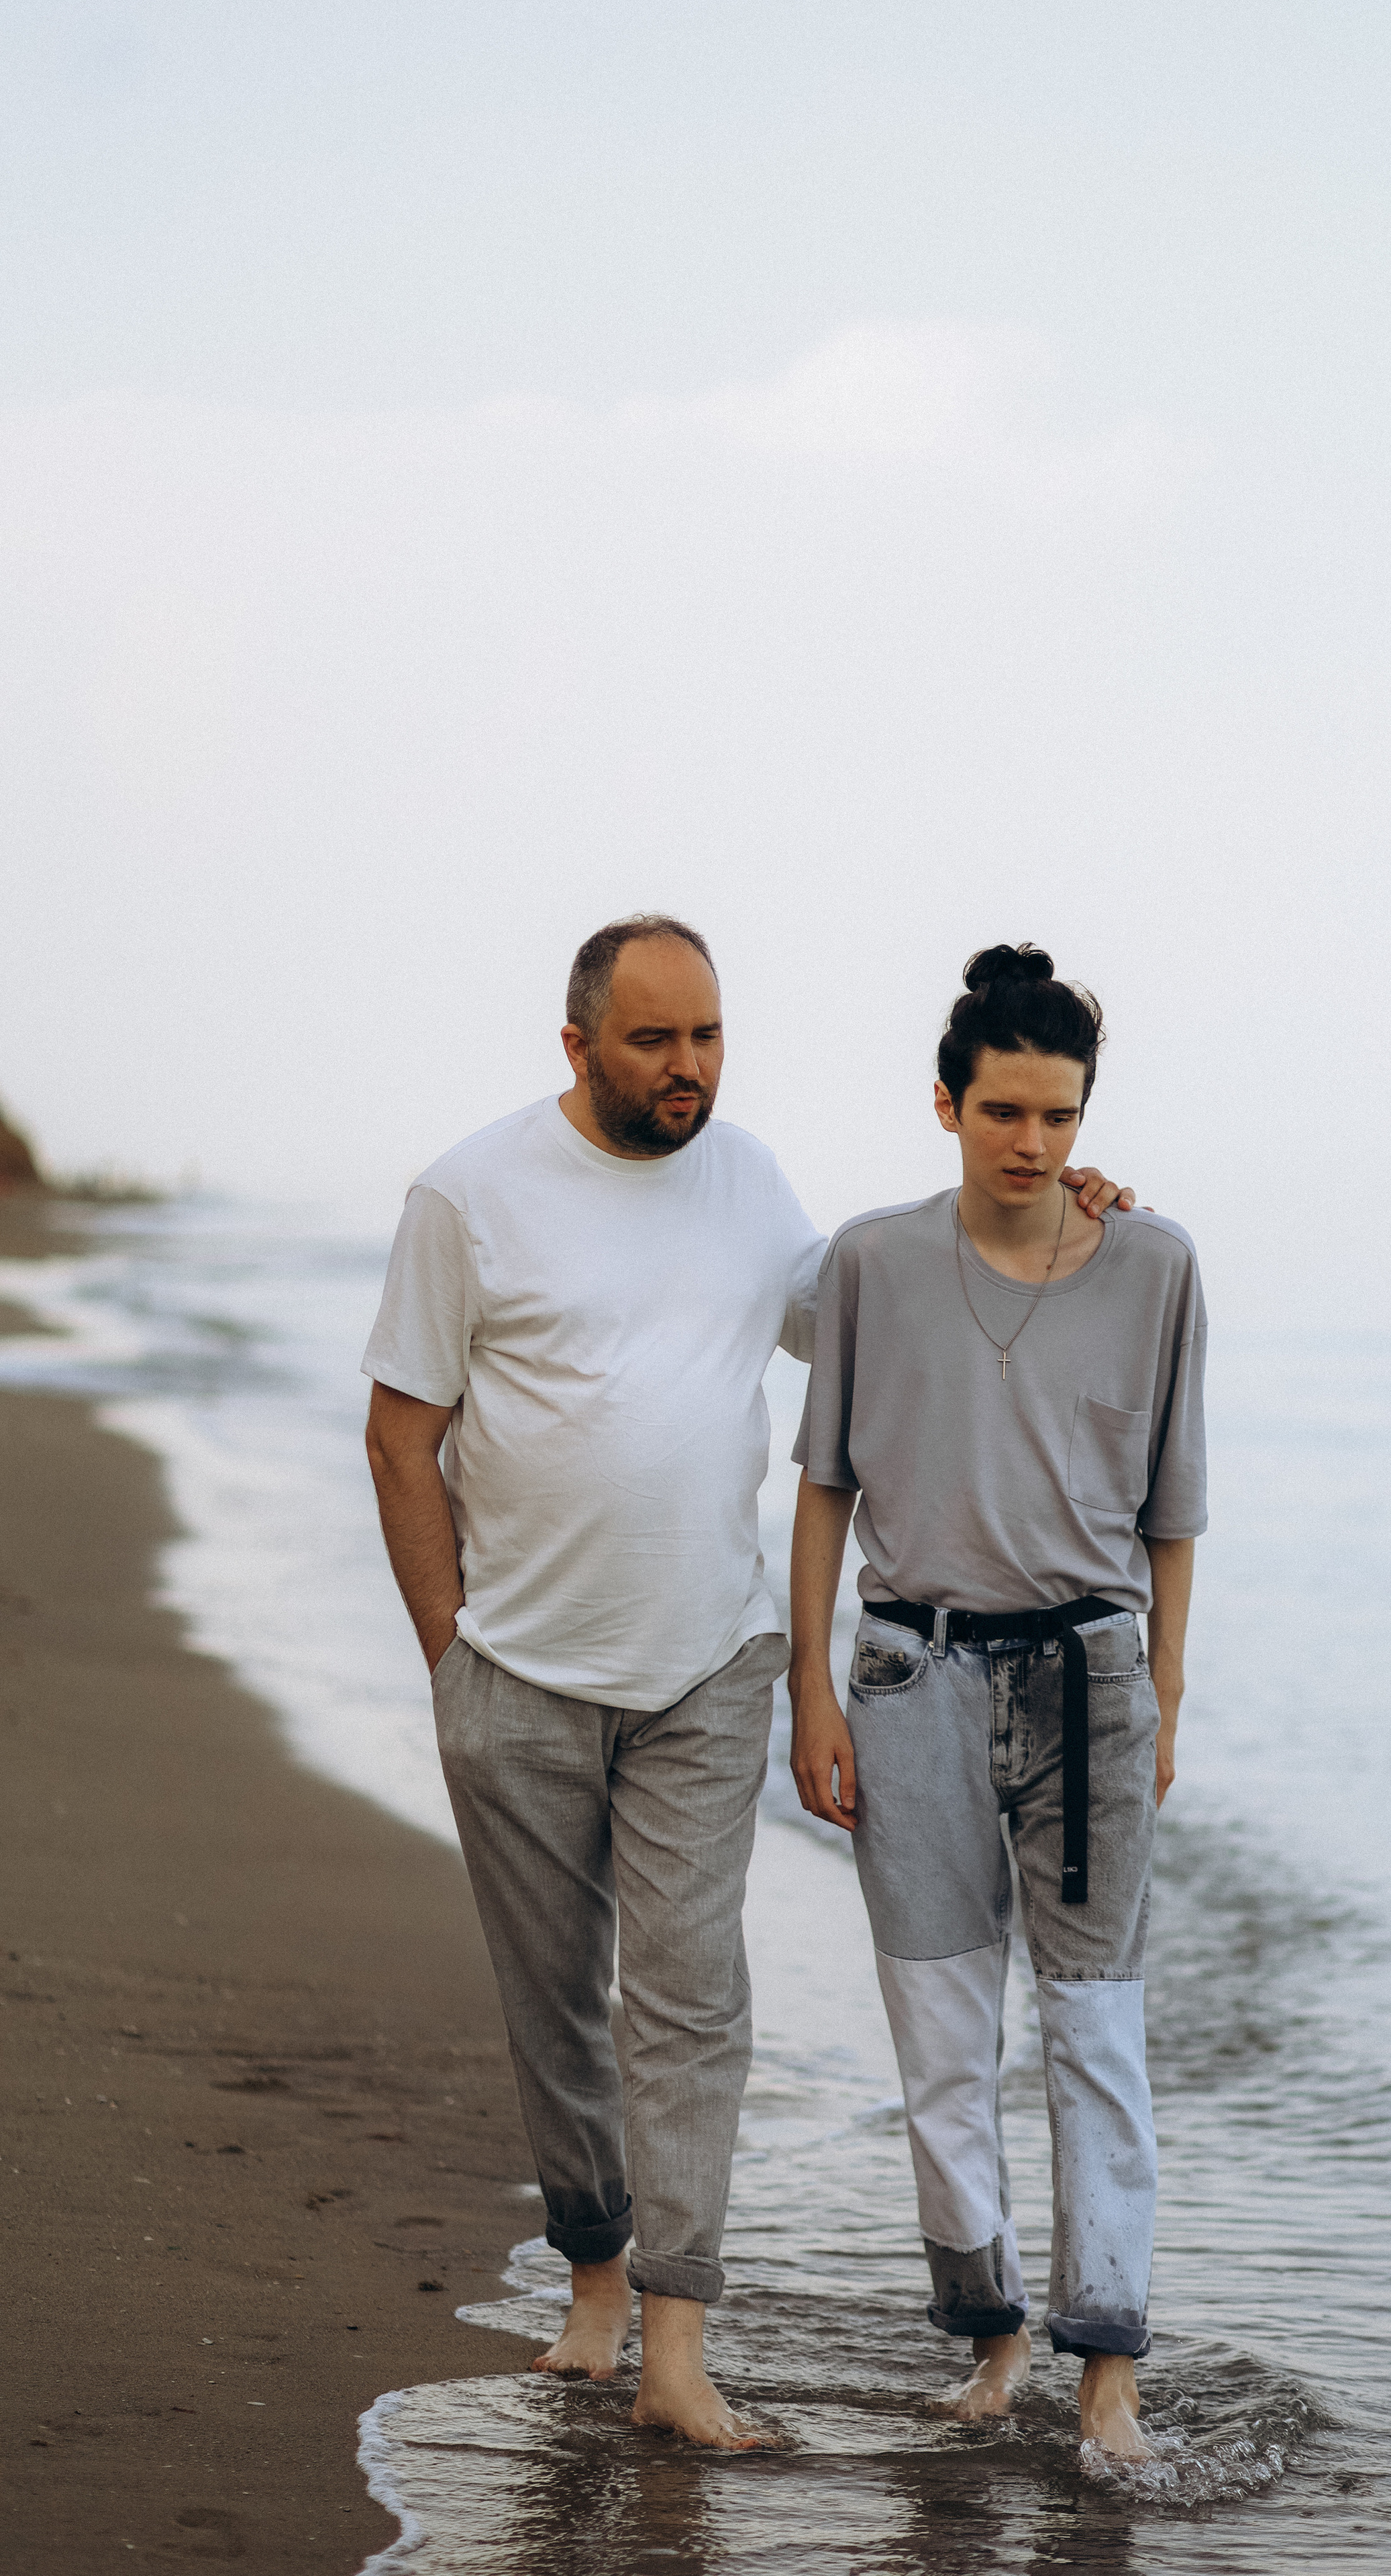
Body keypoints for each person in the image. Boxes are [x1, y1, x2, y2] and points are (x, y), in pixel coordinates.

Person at [361, 913, 1133, 2450]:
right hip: (514, 1666)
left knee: (691, 1999)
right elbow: (401, 1432)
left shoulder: (749, 1179)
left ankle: (674, 2343)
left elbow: (874, 1309)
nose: (688, 1068)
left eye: (708, 1036)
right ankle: (590, 2278)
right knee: (553, 2005)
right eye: (654, 1040)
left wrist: (1056, 1221)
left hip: (711, 1665)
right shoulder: (468, 1196)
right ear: (577, 1046)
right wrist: (450, 1653)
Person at [787, 942, 1205, 2465]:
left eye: (1061, 1116)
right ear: (946, 1104)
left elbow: (1173, 1513)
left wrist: (1160, 1696)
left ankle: (1107, 2366)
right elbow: (823, 1490)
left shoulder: (1155, 1265)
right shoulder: (868, 1263)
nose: (1034, 1145)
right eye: (1006, 1112)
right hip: (908, 1676)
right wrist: (808, 1695)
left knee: (1094, 2033)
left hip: (1089, 1680)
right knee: (939, 2034)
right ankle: (989, 2334)